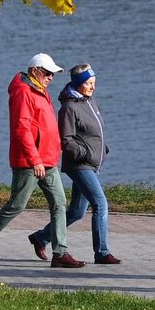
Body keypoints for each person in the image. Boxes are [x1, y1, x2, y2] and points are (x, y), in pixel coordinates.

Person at [0, 53, 86, 268]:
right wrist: (35, 160)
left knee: (59, 204)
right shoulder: (23, 92)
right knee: (17, 205)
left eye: (53, 74)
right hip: (29, 161)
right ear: (35, 71)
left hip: (48, 160)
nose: (51, 77)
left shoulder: (40, 90)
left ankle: (60, 253)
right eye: (48, 73)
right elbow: (22, 129)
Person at [30, 64, 120, 264]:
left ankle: (40, 237)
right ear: (78, 83)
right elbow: (66, 140)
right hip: (79, 166)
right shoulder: (69, 108)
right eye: (88, 83)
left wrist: (103, 149)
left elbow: (97, 131)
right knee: (100, 203)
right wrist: (86, 153)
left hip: (92, 164)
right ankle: (102, 253)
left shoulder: (90, 102)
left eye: (94, 83)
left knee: (76, 212)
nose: (92, 87)